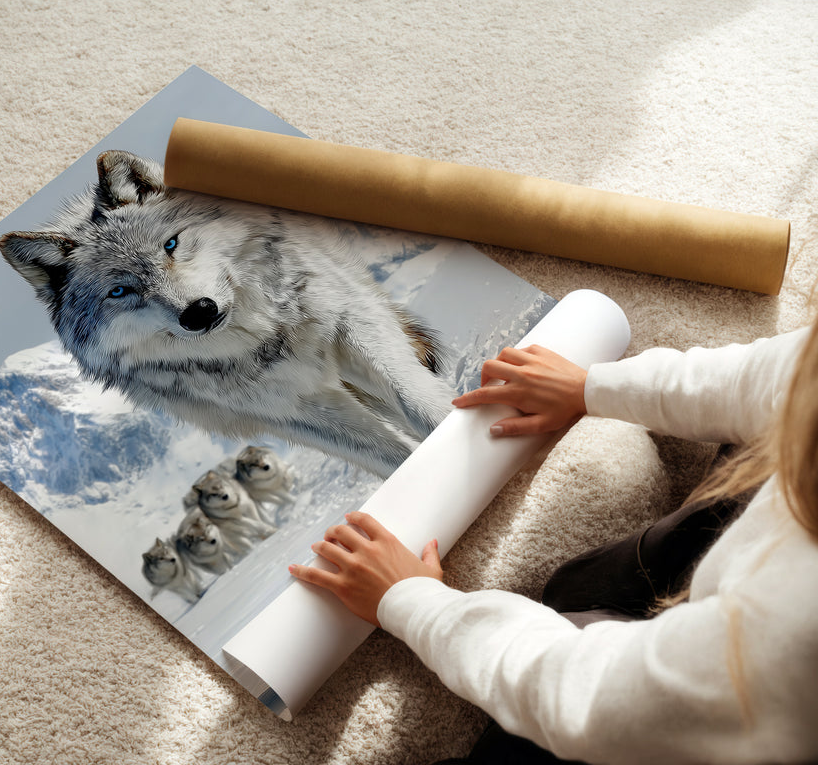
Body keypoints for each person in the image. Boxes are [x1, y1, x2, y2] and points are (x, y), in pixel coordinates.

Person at [289, 320, 818, 764]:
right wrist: (592, 386)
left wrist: (412, 602)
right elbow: (778, 375)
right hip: (749, 598)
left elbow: (589, 698)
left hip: (744, 716)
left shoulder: (792, 635)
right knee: (583, 587)